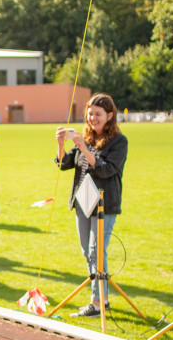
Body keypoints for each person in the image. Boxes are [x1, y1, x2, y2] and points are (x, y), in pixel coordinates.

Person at [55, 93, 129, 318]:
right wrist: (61, 144)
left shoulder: (119, 141)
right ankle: (102, 299)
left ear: (110, 115)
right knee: (87, 252)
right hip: (82, 200)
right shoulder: (83, 137)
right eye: (90, 113)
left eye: (98, 114)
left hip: (104, 203)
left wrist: (83, 147)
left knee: (97, 252)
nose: (93, 118)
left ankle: (97, 302)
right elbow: (64, 164)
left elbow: (107, 169)